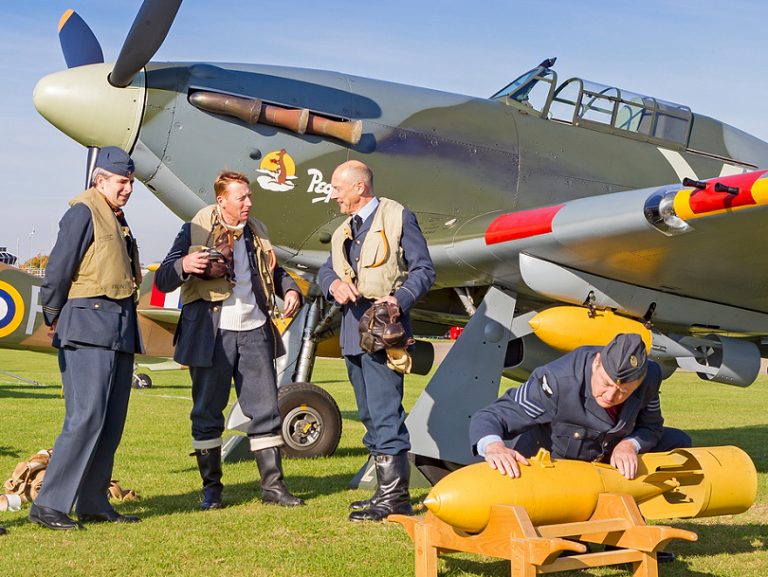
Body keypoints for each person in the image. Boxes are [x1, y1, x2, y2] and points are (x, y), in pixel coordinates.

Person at [469, 332, 690, 562]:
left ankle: (625, 529)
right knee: (569, 545)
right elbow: (493, 415)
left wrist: (629, 445)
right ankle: (559, 529)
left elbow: (651, 427)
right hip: (556, 465)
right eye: (606, 383)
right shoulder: (557, 380)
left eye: (624, 392)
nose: (611, 395)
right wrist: (493, 446)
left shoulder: (650, 376)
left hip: (606, 458)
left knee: (677, 444)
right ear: (597, 362)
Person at [155, 170, 304, 510]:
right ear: (221, 201)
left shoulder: (256, 232)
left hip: (255, 332)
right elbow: (163, 278)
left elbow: (272, 270)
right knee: (207, 412)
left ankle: (273, 487)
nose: (249, 203)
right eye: (242, 198)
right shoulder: (193, 230)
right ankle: (212, 490)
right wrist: (185, 264)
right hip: (212, 335)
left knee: (266, 410)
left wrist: (290, 288)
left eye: (250, 196)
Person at [30, 147, 143, 530]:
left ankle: (93, 502)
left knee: (110, 422)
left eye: (131, 182)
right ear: (101, 180)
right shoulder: (83, 211)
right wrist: (52, 313)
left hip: (119, 329)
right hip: (88, 326)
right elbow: (59, 268)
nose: (128, 188)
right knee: (86, 417)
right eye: (122, 181)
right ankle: (48, 505)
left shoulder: (116, 217)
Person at [317, 160, 435, 522]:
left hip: (384, 330)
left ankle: (395, 499)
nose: (332, 195)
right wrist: (334, 285)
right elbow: (326, 269)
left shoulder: (399, 217)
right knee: (369, 414)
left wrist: (399, 300)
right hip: (353, 332)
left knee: (385, 413)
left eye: (337, 188)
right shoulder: (344, 230)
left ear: (359, 188)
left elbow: (424, 269)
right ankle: (384, 492)